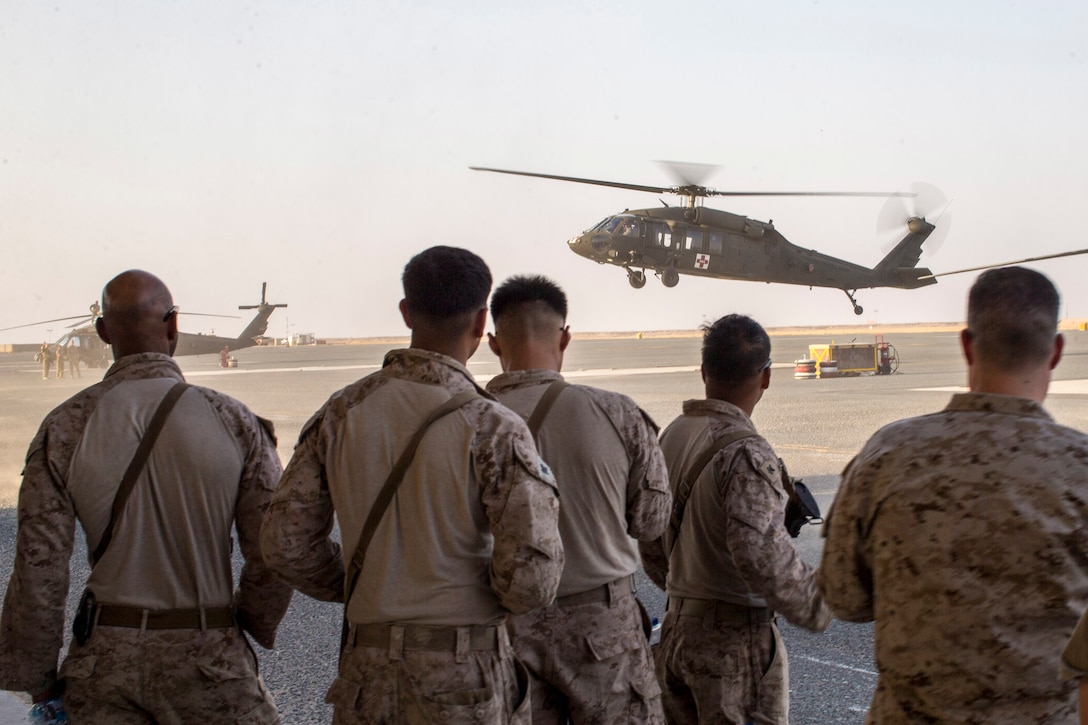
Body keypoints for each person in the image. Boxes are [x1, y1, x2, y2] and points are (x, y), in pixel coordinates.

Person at [261, 246, 564, 724]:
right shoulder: (491, 425)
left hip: (366, 674)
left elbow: (284, 544)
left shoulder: (342, 412)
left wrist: (363, 584)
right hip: (464, 674)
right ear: (481, 320)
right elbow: (533, 579)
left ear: (405, 311)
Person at [0, 269, 292, 724]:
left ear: (101, 333)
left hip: (105, 667)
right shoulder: (233, 420)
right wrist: (251, 620)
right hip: (210, 658)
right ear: (173, 325)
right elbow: (273, 548)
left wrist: (38, 674)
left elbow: (39, 566)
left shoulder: (65, 426)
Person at [819, 266, 1088, 723]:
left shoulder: (888, 454)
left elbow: (844, 597)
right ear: (1057, 351)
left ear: (966, 344)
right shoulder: (1079, 468)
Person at [485, 274, 670, 724]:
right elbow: (651, 521)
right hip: (602, 629)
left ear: (492, 343)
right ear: (565, 336)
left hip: (503, 632)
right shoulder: (616, 413)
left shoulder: (467, 418)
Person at [639, 313, 831, 724]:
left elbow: (650, 540)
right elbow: (761, 555)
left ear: (704, 370)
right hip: (733, 648)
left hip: (677, 633)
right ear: (765, 378)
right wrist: (820, 605)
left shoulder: (671, 435)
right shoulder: (747, 452)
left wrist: (688, 591)